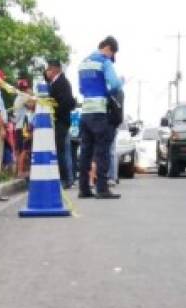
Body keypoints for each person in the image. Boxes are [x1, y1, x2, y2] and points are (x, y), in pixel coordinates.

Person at [78, 36, 123, 199]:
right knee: (102, 151)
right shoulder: (105, 62)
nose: (112, 57)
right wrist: (112, 89)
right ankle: (102, 189)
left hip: (86, 111)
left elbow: (81, 89)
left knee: (85, 151)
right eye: (112, 54)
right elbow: (115, 84)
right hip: (99, 111)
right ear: (109, 49)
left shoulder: (83, 63)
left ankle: (84, 188)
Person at [45, 58, 77, 189]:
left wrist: (53, 110)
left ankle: (65, 179)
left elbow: (67, 102)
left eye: (49, 69)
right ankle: (65, 177)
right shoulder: (54, 83)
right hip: (58, 120)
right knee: (60, 150)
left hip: (61, 121)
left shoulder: (62, 82)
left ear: (56, 69)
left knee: (61, 151)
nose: (48, 72)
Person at [13, 78, 35, 178]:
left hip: (18, 126)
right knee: (24, 150)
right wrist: (31, 93)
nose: (26, 90)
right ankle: (20, 171)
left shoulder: (17, 98)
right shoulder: (24, 97)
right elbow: (33, 105)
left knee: (19, 150)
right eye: (24, 88)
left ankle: (18, 171)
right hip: (23, 126)